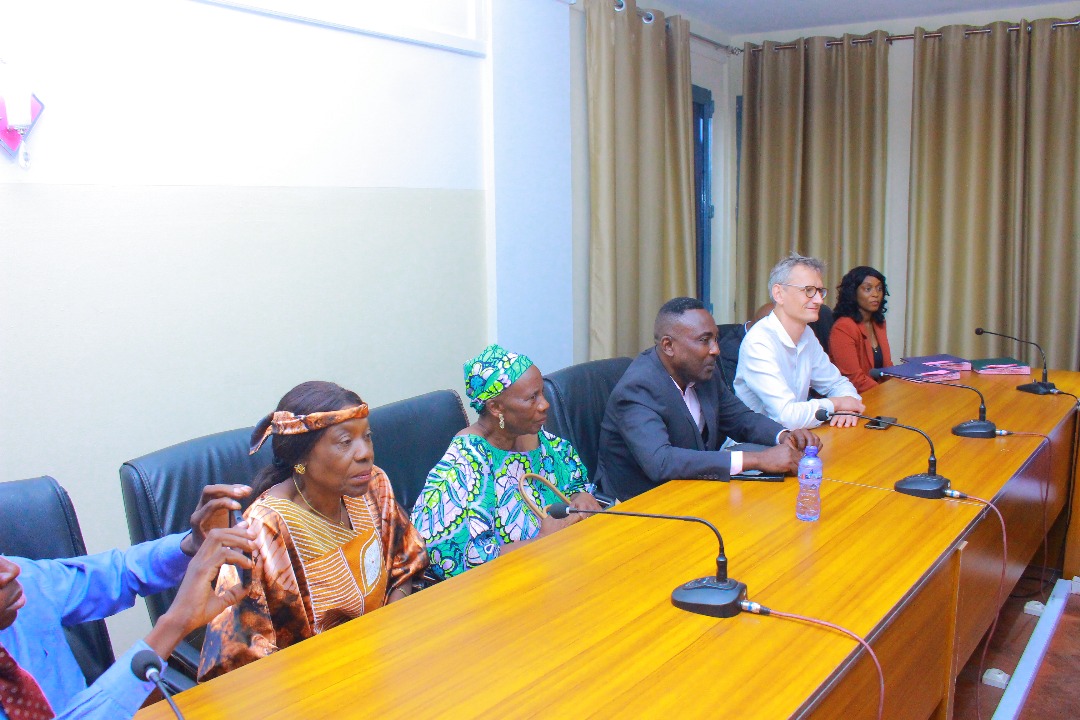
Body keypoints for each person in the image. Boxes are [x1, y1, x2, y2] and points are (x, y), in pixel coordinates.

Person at [198, 381, 428, 680]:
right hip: (316, 681)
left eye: (367, 437)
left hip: (388, 661)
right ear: (301, 458)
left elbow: (405, 562)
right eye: (345, 442)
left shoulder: (373, 485)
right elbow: (241, 658)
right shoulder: (264, 530)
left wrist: (391, 629)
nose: (365, 454)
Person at [0, 486, 255, 720]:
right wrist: (174, 623)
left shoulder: (26, 580)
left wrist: (191, 546)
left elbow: (120, 572)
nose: (11, 571)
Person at [597, 297, 821, 502]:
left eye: (716, 339)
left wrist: (784, 436)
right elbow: (661, 462)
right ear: (668, 346)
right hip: (641, 504)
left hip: (693, 491)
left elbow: (740, 418)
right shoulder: (638, 388)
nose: (715, 350)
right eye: (704, 340)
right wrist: (757, 459)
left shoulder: (702, 372)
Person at [411, 344, 601, 580]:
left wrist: (581, 497)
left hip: (563, 569)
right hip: (505, 586)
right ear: (496, 407)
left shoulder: (539, 440)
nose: (545, 404)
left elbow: (574, 483)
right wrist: (542, 541)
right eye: (532, 398)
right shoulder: (464, 464)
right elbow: (457, 562)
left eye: (542, 392)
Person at [734, 253, 865, 429]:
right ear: (779, 293)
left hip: (797, 437)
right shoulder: (759, 343)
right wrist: (837, 404)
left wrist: (848, 407)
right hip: (757, 442)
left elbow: (837, 384)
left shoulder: (807, 335)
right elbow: (786, 416)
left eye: (820, 291)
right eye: (808, 291)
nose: (819, 300)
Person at [829, 266, 893, 393]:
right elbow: (854, 379)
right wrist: (885, 393)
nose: (875, 294)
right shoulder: (843, 328)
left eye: (879, 289)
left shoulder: (879, 323)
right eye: (868, 289)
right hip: (854, 397)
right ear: (853, 293)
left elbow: (887, 368)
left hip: (878, 393)